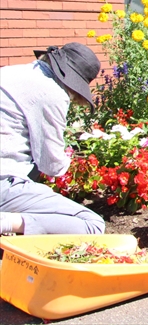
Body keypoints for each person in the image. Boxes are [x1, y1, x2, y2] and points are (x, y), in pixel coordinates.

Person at [0, 42, 105, 235]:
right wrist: (70, 160)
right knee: (92, 224)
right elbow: (52, 166)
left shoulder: (9, 72)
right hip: (3, 183)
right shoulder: (51, 92)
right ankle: (5, 222)